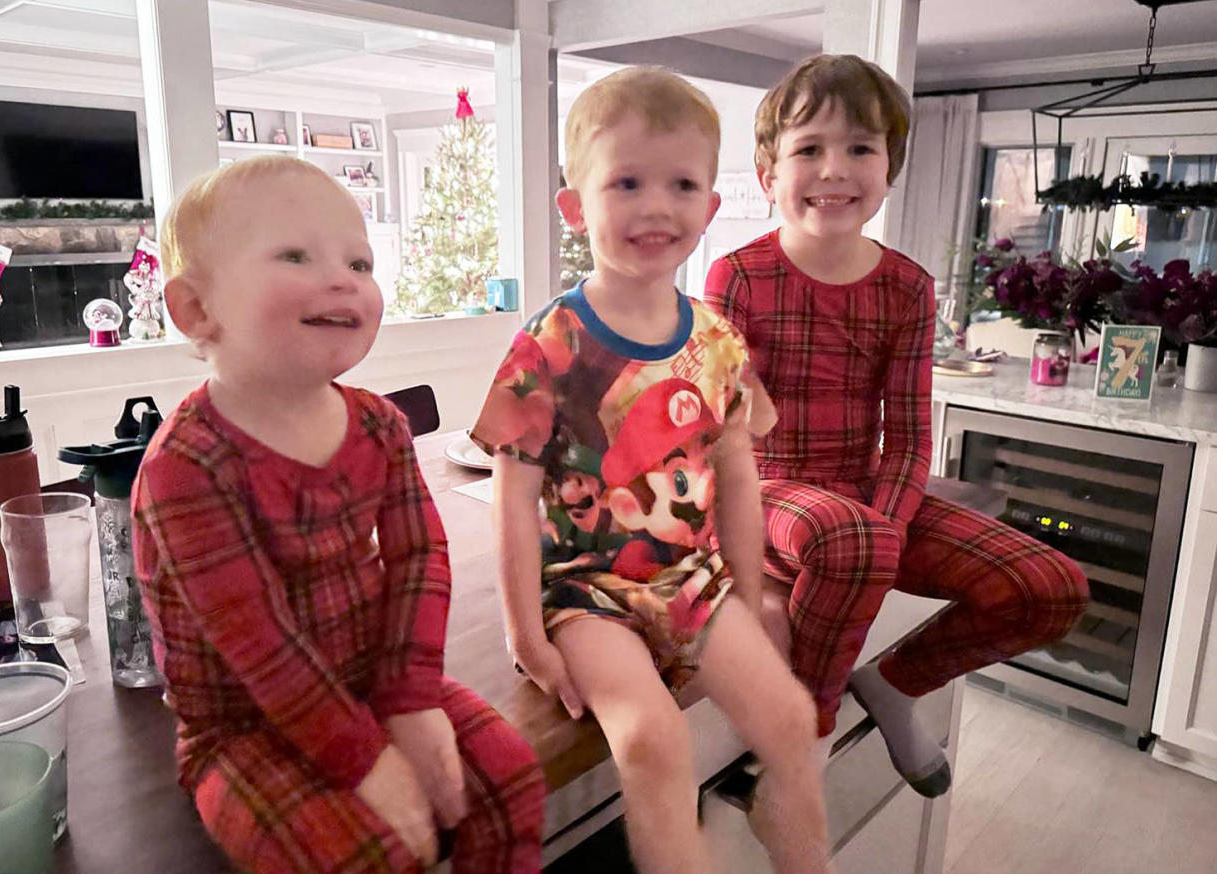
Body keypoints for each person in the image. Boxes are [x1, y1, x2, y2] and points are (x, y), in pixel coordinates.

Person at [131, 155, 544, 874]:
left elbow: (421, 559)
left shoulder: (381, 426)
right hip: (241, 728)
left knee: (511, 780)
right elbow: (258, 644)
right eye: (296, 254)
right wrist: (368, 760)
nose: (344, 279)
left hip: (372, 677)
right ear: (196, 309)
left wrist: (409, 701)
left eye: (360, 261)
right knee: (361, 856)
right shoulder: (184, 467)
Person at [472, 67, 829, 874]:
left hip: (696, 585)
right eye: (626, 182)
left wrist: (744, 590)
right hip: (585, 595)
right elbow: (511, 491)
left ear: (708, 208)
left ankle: (794, 836)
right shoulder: (550, 343)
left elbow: (740, 474)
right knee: (651, 739)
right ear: (576, 207)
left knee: (792, 716)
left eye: (681, 185)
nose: (656, 206)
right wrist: (527, 634)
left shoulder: (719, 341)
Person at [704, 54, 1089, 797]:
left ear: (890, 169)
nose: (833, 169)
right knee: (851, 537)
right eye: (808, 149)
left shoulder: (907, 285)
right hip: (766, 494)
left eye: (860, 148)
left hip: (863, 506)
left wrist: (884, 524)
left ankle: (893, 684)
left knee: (1052, 585)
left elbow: (910, 436)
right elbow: (721, 435)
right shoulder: (738, 275)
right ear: (767, 175)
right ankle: (803, 736)